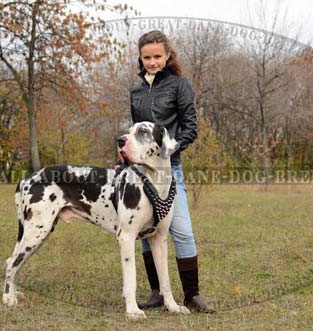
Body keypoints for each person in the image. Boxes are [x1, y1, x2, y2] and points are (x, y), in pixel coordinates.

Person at [129, 30, 215, 313]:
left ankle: (192, 296)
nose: (152, 62)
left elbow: (191, 127)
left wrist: (169, 150)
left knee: (182, 231)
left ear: (167, 56)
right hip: (141, 172)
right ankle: (156, 293)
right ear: (141, 59)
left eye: (157, 56)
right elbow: (137, 134)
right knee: (144, 230)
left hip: (169, 171)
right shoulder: (136, 91)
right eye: (147, 57)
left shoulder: (180, 86)